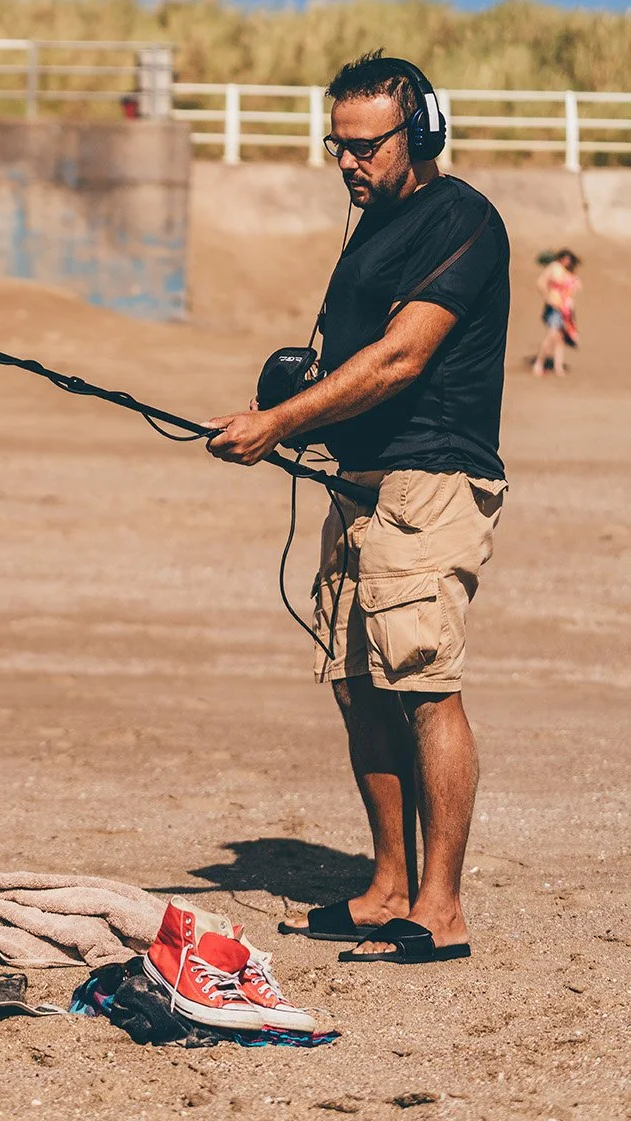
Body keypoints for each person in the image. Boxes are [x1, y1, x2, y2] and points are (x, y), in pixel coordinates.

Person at [206, 51, 510, 966]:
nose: (348, 163)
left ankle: (441, 907)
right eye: (336, 145)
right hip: (358, 486)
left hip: (434, 481)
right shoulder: (370, 227)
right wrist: (293, 408)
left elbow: (399, 359)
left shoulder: (462, 219)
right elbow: (348, 366)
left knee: (422, 682)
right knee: (357, 684)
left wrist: (279, 421)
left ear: (418, 132)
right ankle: (385, 888)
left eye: (365, 146)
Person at [530, 249, 580, 378]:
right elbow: (540, 282)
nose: (567, 261)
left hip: (565, 309)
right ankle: (539, 364)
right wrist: (547, 297)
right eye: (565, 258)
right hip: (554, 307)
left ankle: (558, 367)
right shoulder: (554, 267)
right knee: (552, 335)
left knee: (559, 339)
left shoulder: (569, 272)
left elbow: (576, 287)